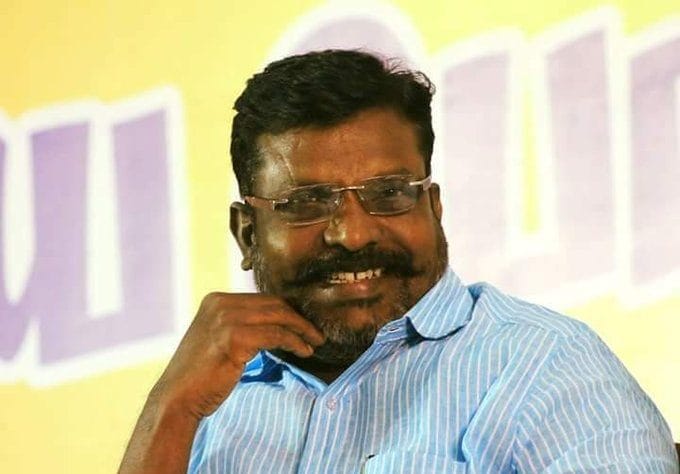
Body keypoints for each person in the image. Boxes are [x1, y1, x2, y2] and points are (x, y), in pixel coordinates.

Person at [119, 50, 678, 473]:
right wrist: (170, 408)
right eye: (307, 203)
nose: (353, 234)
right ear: (247, 234)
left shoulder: (544, 367)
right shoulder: (211, 400)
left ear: (433, 208)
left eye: (388, 193)